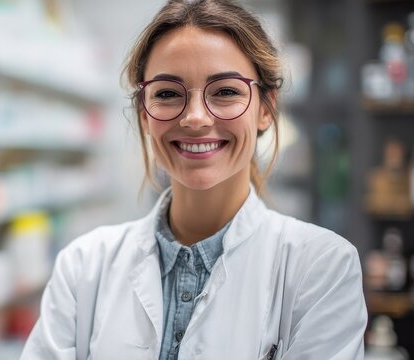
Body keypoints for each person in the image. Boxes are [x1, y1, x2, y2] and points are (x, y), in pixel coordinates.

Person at [20, 0, 367, 359]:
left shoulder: (322, 268)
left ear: (266, 108)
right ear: (144, 113)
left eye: (226, 91)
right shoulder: (83, 266)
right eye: (168, 94)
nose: (196, 118)